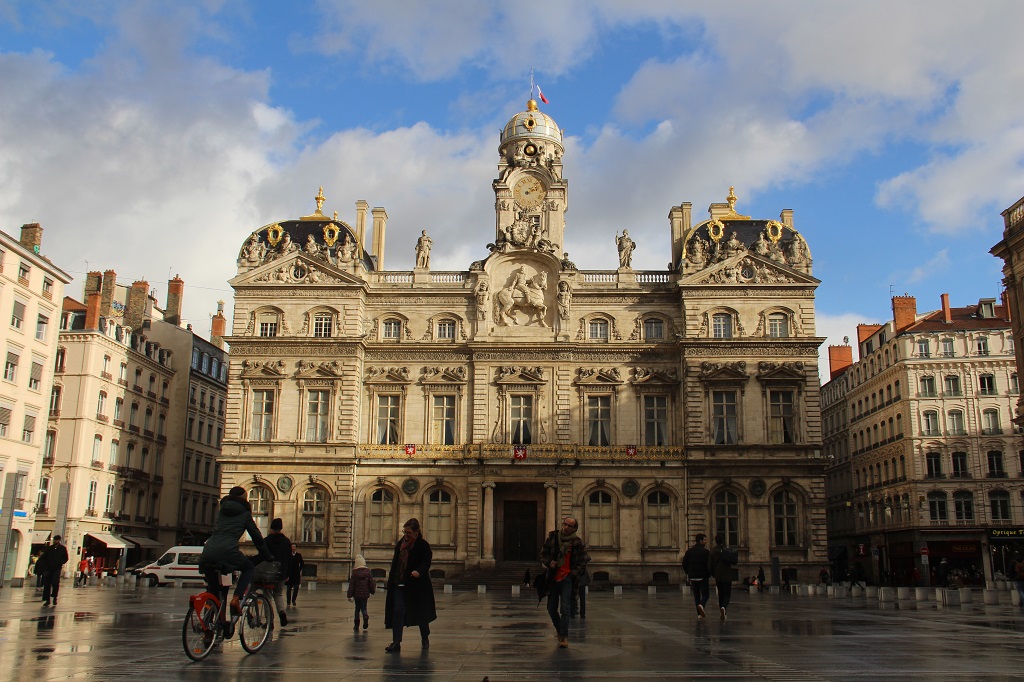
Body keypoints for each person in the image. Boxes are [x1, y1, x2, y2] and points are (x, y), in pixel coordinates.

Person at [199, 486, 274, 623]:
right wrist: (267, 554)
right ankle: (236, 598)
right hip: (228, 551)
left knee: (213, 594)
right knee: (248, 568)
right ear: (244, 499)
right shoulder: (245, 515)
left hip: (208, 551)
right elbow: (257, 538)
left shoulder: (222, 511)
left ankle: (208, 628)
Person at [384, 518, 437, 653]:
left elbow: (426, 562)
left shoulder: (423, 545)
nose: (406, 535)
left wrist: (419, 571)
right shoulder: (400, 544)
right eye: (404, 531)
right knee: (398, 611)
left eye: (408, 532)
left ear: (416, 532)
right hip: (400, 584)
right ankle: (396, 642)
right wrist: (392, 580)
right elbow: (396, 564)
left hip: (416, 586)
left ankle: (425, 637)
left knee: (421, 614)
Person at [541, 516, 588, 648]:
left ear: (574, 528)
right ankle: (559, 630)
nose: (566, 527)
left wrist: (573, 573)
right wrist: (549, 562)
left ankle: (564, 636)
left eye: (569, 525)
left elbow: (583, 560)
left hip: (567, 579)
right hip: (554, 577)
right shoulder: (553, 538)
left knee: (565, 609)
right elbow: (543, 554)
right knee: (551, 609)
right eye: (565, 524)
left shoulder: (577, 542)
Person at [264, 517, 292, 626]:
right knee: (278, 594)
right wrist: (287, 574)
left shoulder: (267, 540)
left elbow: (263, 556)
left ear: (271, 528)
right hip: (281, 573)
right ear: (281, 528)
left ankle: (269, 621)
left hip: (268, 573)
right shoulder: (286, 541)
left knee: (267, 596)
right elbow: (289, 558)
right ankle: (282, 612)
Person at [682, 533, 711, 619]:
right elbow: (709, 565)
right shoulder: (706, 552)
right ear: (701, 540)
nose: (706, 541)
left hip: (693, 576)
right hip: (703, 576)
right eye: (705, 540)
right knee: (706, 594)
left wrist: (688, 572)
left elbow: (684, 564)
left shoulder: (689, 551)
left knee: (696, 595)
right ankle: (702, 605)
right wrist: (708, 574)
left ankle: (699, 614)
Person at [708, 533, 734, 621]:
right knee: (727, 594)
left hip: (718, 575)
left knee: (720, 594)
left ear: (716, 541)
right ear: (723, 541)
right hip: (727, 574)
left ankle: (722, 611)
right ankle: (724, 608)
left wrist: (713, 574)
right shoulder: (727, 550)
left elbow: (710, 565)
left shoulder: (712, 551)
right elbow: (733, 561)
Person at [347, 554, 376, 630]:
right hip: (365, 594)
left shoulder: (355, 574)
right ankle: (365, 616)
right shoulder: (368, 573)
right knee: (364, 608)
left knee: (357, 609)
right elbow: (371, 584)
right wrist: (372, 591)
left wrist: (349, 595)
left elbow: (352, 586)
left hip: (357, 594)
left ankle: (356, 625)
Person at [40, 535, 69, 606]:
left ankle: (54, 597)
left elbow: (66, 558)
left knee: (55, 583)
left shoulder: (62, 548)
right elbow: (43, 557)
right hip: (49, 568)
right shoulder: (49, 548)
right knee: (47, 584)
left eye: (57, 540)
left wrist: (61, 562)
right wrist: (45, 565)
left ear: (59, 540)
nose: (55, 541)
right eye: (55, 540)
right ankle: (47, 600)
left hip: (57, 568)